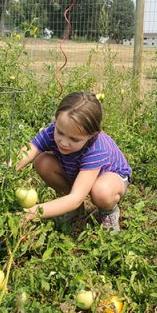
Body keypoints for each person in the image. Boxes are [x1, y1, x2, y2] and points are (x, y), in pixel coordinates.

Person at [15, 91, 132, 233]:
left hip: (110, 177)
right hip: (77, 171)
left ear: (91, 136)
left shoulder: (97, 149)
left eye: (74, 139)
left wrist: (32, 212)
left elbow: (76, 197)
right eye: (60, 132)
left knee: (101, 192)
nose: (63, 142)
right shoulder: (52, 131)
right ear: (55, 121)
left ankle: (109, 211)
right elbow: (28, 152)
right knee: (42, 162)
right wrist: (4, 172)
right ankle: (73, 208)